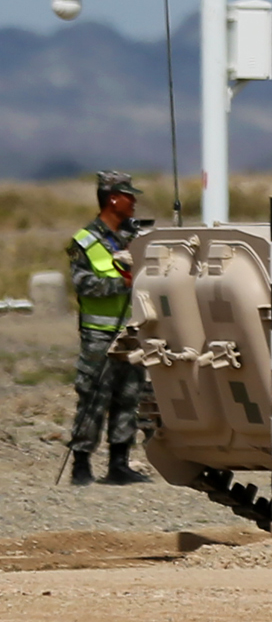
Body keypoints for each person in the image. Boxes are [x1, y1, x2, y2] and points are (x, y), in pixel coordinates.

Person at [66, 171, 150, 485]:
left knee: (129, 394)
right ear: (113, 199)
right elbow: (81, 284)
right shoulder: (81, 242)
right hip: (99, 334)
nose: (135, 201)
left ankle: (119, 463)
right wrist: (121, 283)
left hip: (131, 331)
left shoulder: (135, 238)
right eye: (129, 195)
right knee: (93, 396)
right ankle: (82, 463)